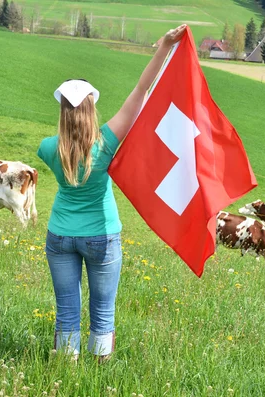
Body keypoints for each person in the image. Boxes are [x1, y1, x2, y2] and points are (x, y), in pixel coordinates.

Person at [37, 24, 187, 362]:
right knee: (103, 313)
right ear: (92, 109)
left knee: (66, 313)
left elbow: (61, 146)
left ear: (63, 112)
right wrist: (164, 46)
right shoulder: (105, 144)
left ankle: (64, 372)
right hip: (102, 237)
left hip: (59, 235)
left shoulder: (48, 149)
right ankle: (100, 374)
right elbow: (141, 92)